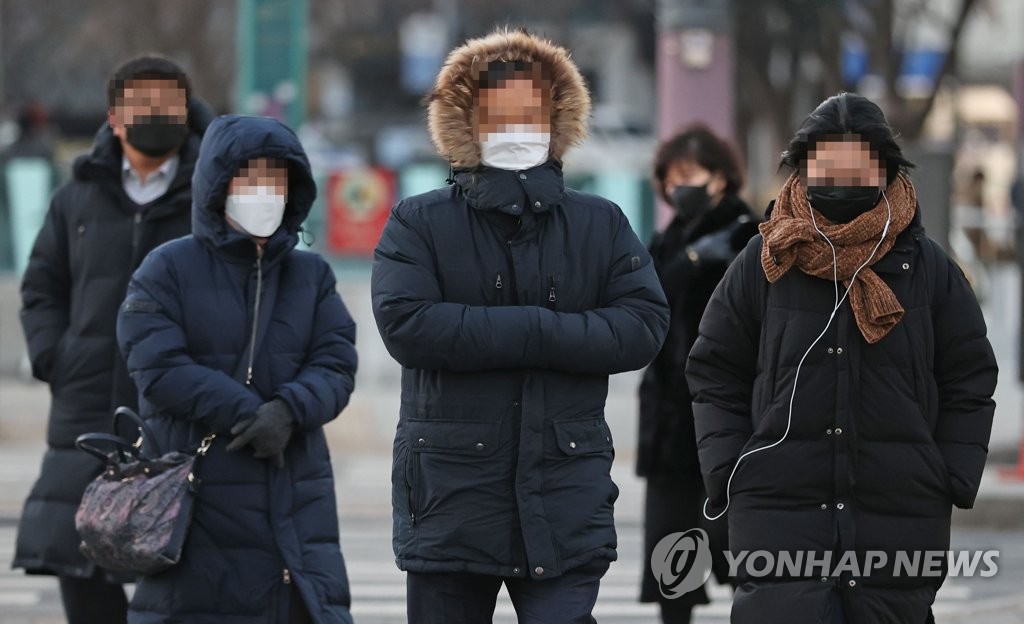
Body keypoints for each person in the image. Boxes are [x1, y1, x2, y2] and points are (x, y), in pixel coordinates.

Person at [371, 27, 670, 624]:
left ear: (557, 119)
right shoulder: (418, 221)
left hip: (564, 488)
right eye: (496, 113)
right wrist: (543, 331)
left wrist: (526, 333)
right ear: (467, 122)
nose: (514, 127)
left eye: (529, 112)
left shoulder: (600, 222)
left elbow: (642, 324)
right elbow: (407, 324)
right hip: (449, 500)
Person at [685, 92, 998, 623]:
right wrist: (729, 468)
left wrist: (947, 473)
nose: (843, 171)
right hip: (778, 512)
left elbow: (970, 374)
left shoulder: (928, 268)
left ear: (884, 166)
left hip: (898, 514)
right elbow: (715, 367)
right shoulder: (766, 260)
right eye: (828, 156)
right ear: (805, 164)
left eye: (859, 158)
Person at [116, 114, 357, 623]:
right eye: (250, 178)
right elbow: (156, 365)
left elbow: (336, 362)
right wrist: (247, 412)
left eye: (276, 179)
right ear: (219, 185)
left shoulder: (310, 275)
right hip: (192, 493)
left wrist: (289, 411)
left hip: (292, 490)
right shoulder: (167, 267)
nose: (264, 192)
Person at [14, 54, 211, 624]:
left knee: (180, 571)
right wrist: (57, 357)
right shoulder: (75, 196)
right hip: (86, 415)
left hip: (177, 412)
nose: (156, 116)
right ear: (115, 118)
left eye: (169, 105)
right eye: (142, 106)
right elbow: (41, 288)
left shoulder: (211, 197)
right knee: (84, 572)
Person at [636, 124, 756, 623]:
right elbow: (643, 304)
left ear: (723, 179)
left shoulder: (751, 235)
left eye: (692, 175)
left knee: (746, 562)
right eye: (671, 177)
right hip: (671, 427)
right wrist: (687, 260)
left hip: (734, 424)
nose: (678, 187)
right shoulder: (667, 240)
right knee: (674, 567)